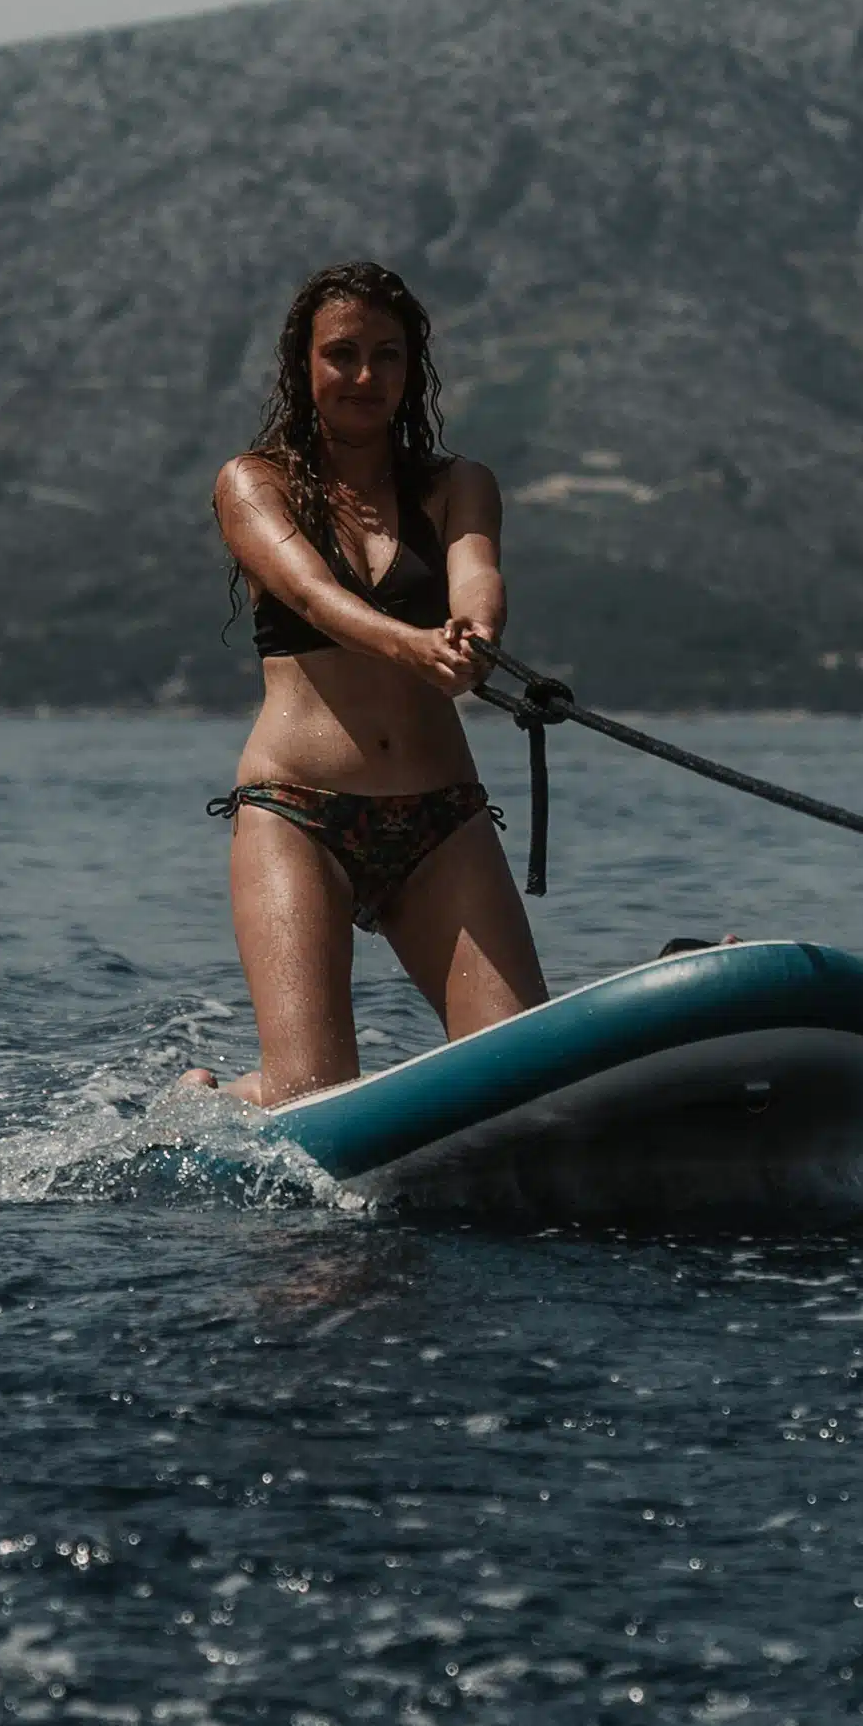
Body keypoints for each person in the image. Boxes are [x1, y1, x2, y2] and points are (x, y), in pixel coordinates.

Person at [188, 262, 547, 1105]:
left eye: (387, 356)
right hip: (298, 811)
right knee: (308, 1086)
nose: (363, 376)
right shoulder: (253, 483)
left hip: (439, 817)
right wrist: (412, 647)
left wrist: (475, 641)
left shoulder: (460, 486)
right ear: (302, 367)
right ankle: (201, 1105)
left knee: (519, 1074)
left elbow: (477, 580)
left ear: (410, 371)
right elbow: (313, 595)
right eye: (341, 354)